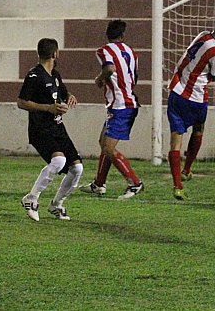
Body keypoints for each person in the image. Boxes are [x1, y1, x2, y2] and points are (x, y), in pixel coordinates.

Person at [167, 14, 215, 200]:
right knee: (198, 129)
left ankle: (177, 186)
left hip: (176, 91)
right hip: (194, 98)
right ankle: (187, 168)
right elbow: (214, 76)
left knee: (176, 139)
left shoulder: (202, 35)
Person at [18, 38, 83, 222]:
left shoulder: (54, 74)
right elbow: (21, 102)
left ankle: (57, 204)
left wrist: (70, 96)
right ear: (55, 54)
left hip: (57, 128)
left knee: (77, 168)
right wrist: (48, 108)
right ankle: (31, 198)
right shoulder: (34, 76)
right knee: (59, 161)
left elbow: (63, 93)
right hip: (40, 129)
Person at [79, 20, 144, 199]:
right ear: (122, 35)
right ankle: (99, 184)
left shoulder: (104, 50)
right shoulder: (132, 53)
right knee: (103, 142)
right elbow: (134, 76)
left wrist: (100, 78)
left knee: (108, 148)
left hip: (120, 106)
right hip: (126, 102)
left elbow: (109, 68)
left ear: (107, 34)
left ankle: (135, 183)